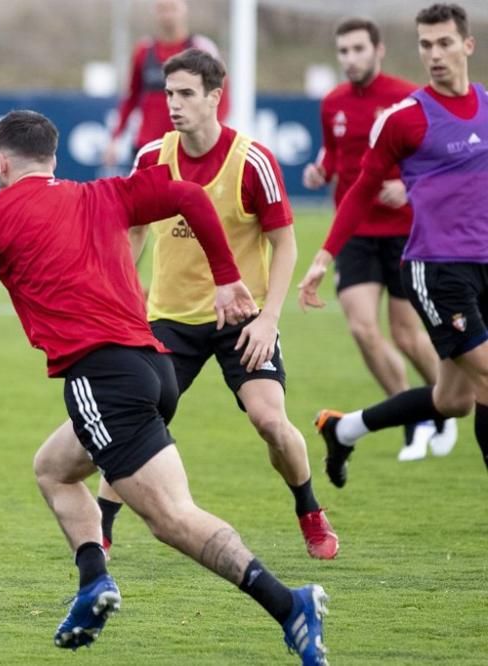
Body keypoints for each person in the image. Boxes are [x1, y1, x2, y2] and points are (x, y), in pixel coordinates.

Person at [0, 109, 329, 665]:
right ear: (53, 159)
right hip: (152, 366)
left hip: (103, 378)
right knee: (53, 469)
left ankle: (289, 605)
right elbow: (189, 198)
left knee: (172, 519)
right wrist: (228, 274)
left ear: (0, 163)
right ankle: (94, 584)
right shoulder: (101, 194)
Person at [87, 49, 337, 561]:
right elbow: (132, 232)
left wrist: (269, 319)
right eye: (168, 94)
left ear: (215, 98)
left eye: (185, 94)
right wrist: (121, 291)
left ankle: (309, 510)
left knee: (269, 421)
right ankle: (102, 528)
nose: (173, 104)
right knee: (133, 415)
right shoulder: (152, 158)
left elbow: (284, 243)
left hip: (242, 319)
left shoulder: (253, 161)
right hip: (168, 320)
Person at [298, 3, 488, 485]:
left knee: (455, 400)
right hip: (437, 269)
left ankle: (344, 430)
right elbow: (361, 188)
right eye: (426, 44)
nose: (435, 53)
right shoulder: (405, 118)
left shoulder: (486, 105)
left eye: (444, 42)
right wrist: (323, 256)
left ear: (467, 44)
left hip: (483, 263)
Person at [103, 0, 228, 167]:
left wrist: (208, 136)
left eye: (173, 8)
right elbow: (131, 98)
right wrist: (115, 138)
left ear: (184, 10)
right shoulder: (143, 51)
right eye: (162, 9)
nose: (168, 15)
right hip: (148, 146)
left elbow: (222, 96)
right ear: (155, 13)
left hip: (187, 147)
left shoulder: (201, 48)